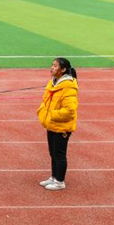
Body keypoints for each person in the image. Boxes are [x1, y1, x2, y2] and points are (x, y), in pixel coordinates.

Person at [36, 57, 78, 191]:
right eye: (52, 65)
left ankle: (60, 181)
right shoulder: (53, 82)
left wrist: (52, 115)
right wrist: (44, 112)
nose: (51, 67)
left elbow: (70, 111)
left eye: (55, 66)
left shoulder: (68, 87)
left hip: (61, 126)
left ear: (63, 70)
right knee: (52, 153)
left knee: (59, 154)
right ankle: (54, 177)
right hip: (52, 124)